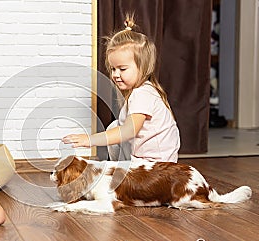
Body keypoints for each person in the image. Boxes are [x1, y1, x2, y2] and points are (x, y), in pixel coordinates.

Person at [63, 14, 180, 163]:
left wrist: (90, 140)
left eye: (122, 69)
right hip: (146, 160)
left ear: (143, 67)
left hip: (156, 167)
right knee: (116, 125)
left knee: (119, 130)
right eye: (113, 69)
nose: (115, 75)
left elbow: (129, 131)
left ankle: (121, 170)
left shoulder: (142, 94)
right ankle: (120, 167)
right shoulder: (141, 91)